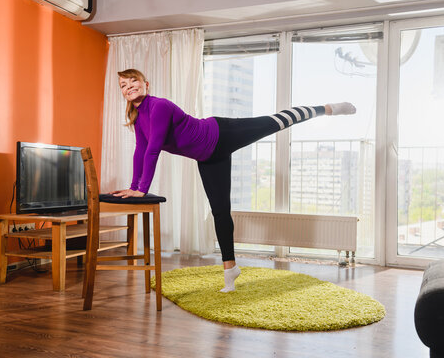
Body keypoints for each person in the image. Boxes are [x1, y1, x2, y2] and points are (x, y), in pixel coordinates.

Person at [111, 68, 356, 292]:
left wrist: (142, 190)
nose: (129, 86)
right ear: (122, 92)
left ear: (146, 84)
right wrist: (133, 188)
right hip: (208, 158)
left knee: (277, 121)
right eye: (123, 84)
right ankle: (230, 271)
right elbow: (140, 151)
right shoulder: (139, 118)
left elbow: (153, 150)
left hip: (220, 133)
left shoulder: (159, 106)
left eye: (134, 81)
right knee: (220, 212)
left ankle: (327, 109)